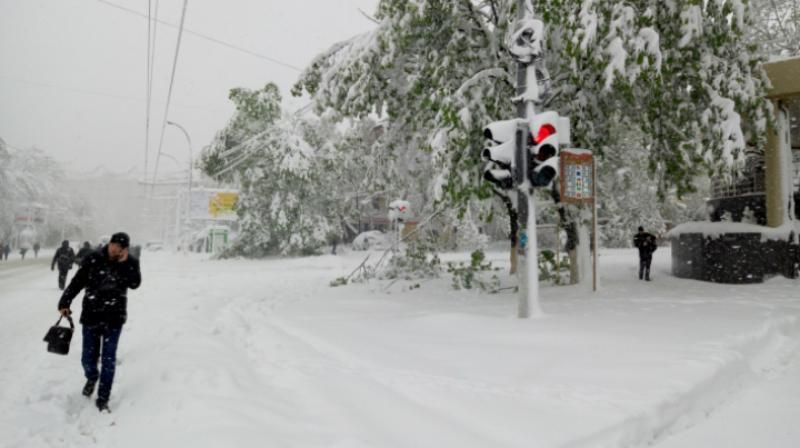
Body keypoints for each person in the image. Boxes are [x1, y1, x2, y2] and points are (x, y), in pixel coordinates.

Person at [57, 232, 141, 412]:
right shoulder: (93, 259)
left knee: (108, 359)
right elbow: (77, 281)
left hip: (114, 318)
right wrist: (65, 301)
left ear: (125, 249)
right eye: (113, 245)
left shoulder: (130, 262)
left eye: (120, 247)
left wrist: (124, 264)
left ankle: (103, 398)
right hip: (91, 315)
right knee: (88, 358)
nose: (115, 249)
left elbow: (134, 284)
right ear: (109, 243)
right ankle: (92, 376)